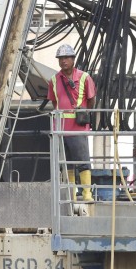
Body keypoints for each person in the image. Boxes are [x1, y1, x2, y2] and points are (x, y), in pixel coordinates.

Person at [42, 43, 96, 202]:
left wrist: (84, 113)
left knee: (83, 161)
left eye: (66, 58)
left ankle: (87, 194)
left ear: (73, 59)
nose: (63, 61)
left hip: (78, 129)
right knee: (67, 165)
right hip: (60, 130)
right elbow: (54, 102)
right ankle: (71, 196)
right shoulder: (53, 80)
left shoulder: (85, 77)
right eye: (61, 58)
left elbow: (91, 100)